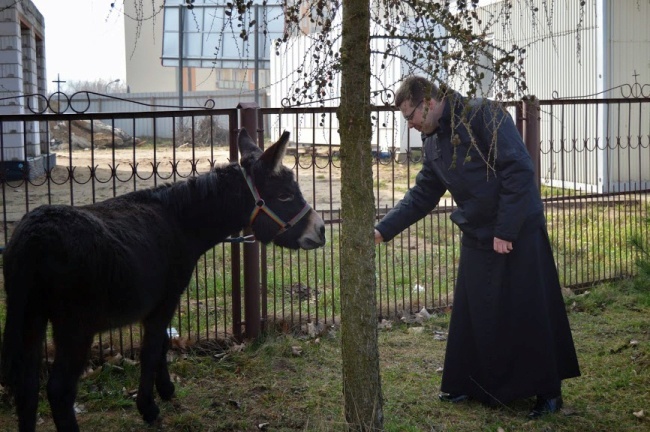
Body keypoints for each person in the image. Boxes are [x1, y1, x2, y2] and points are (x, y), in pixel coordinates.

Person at [374, 76, 580, 418]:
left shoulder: (483, 114)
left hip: (516, 228)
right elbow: (422, 194)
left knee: (527, 309)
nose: (410, 126)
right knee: (475, 314)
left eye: (410, 116)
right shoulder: (433, 141)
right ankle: (471, 384)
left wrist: (506, 229)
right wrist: (382, 229)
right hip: (477, 231)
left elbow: (518, 169)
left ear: (427, 102)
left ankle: (548, 391)